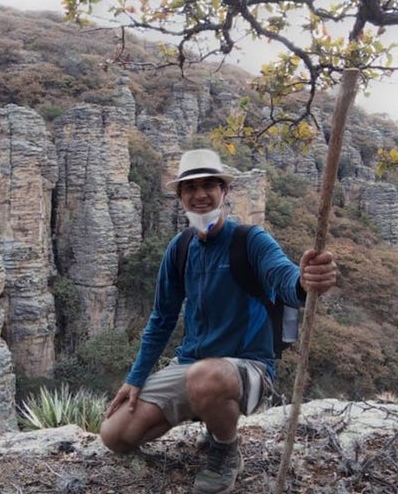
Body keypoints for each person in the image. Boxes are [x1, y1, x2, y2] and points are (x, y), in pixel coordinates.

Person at [101, 149, 338, 494]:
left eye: (209, 185)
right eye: (190, 188)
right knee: (115, 436)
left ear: (225, 192)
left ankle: (225, 451)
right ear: (180, 197)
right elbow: (162, 318)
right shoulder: (179, 249)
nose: (200, 195)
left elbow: (286, 281)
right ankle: (205, 412)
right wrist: (135, 378)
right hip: (191, 366)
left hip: (248, 369)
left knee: (206, 376)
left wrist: (308, 281)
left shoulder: (250, 241)